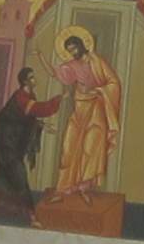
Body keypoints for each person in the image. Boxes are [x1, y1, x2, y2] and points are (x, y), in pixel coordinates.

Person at [46, 30, 122, 201]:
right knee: (68, 149)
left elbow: (114, 83)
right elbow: (56, 74)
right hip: (79, 108)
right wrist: (41, 58)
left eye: (74, 48)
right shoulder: (72, 65)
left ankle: (84, 187)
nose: (73, 52)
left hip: (96, 108)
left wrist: (100, 91)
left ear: (81, 45)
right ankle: (64, 189)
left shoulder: (97, 61)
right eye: (70, 50)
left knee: (90, 147)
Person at [0, 67, 61, 221]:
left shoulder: (28, 96)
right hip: (5, 140)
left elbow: (26, 118)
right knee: (19, 174)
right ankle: (32, 215)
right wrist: (58, 99)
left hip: (13, 141)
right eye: (32, 77)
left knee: (3, 173)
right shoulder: (21, 97)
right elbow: (41, 109)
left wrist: (42, 126)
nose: (35, 80)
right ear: (25, 81)